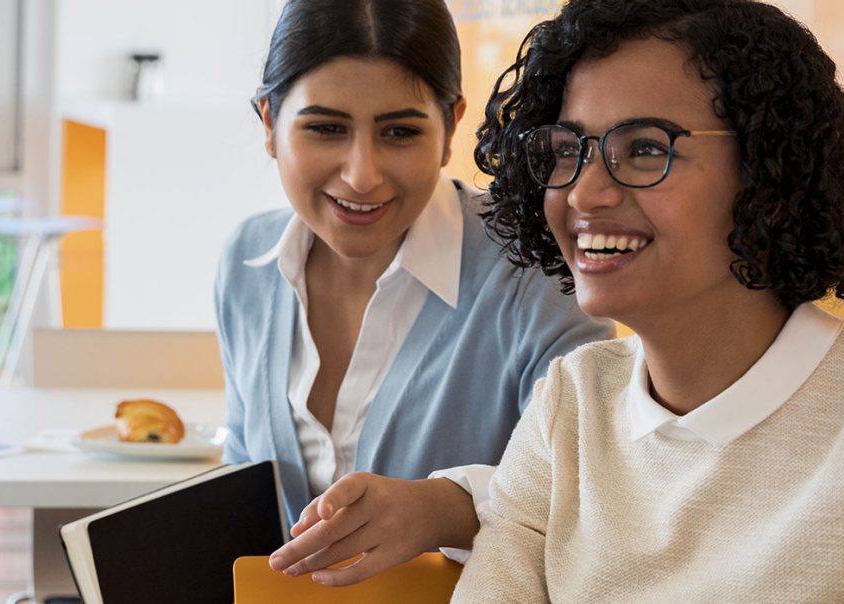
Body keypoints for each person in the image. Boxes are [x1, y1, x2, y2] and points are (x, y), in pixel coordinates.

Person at [449, 0, 844, 600]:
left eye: (645, 149)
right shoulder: (570, 406)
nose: (586, 193)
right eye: (568, 151)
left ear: (769, 172)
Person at [214, 0, 614, 585]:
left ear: (451, 126)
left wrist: (447, 510)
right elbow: (244, 481)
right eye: (326, 128)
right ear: (269, 122)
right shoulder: (246, 264)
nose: (361, 175)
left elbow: (596, 492)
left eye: (400, 132)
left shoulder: (536, 267)